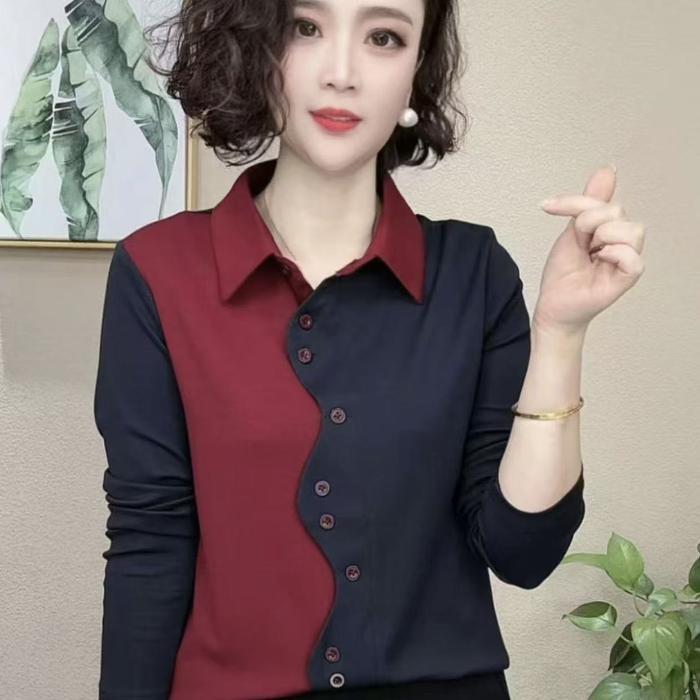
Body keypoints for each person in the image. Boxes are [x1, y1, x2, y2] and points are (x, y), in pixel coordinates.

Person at [94, 0, 609, 698]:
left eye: (384, 37)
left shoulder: (474, 272)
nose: (342, 72)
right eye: (306, 27)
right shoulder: (158, 273)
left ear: (416, 72)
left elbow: (523, 553)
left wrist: (561, 335)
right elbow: (151, 546)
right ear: (257, 47)